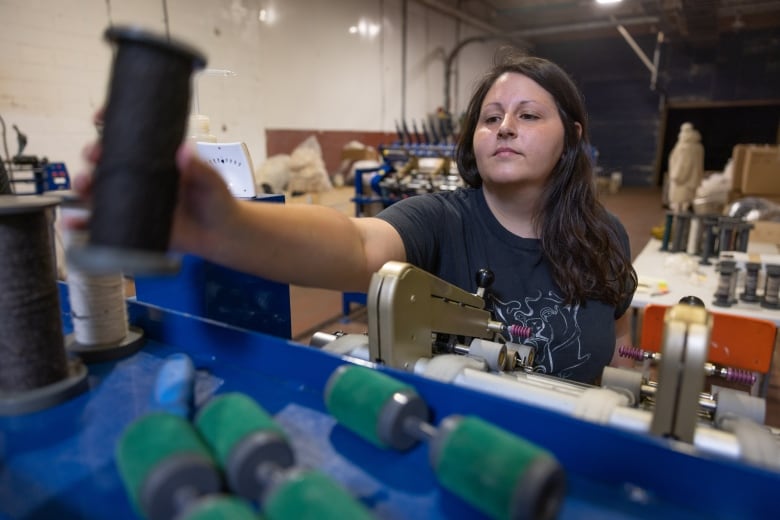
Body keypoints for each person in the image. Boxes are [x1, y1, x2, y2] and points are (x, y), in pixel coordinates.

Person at [75, 51, 637, 385]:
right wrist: (225, 225)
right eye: (491, 117)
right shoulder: (443, 221)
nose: (505, 126)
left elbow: (610, 334)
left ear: (572, 139)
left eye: (529, 114)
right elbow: (356, 245)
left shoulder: (604, 234)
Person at [667, 122, 704, 213]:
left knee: (680, 206)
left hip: (682, 182)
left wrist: (677, 177)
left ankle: (678, 226)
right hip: (692, 181)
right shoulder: (698, 146)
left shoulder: (685, 146)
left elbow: (683, 165)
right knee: (687, 204)